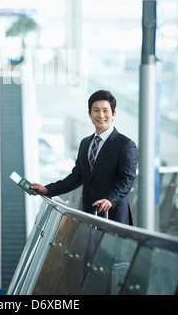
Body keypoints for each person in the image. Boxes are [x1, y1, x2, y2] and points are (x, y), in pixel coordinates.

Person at [31, 90, 138, 225]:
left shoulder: (125, 145)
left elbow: (126, 180)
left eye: (105, 110)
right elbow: (76, 177)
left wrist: (109, 199)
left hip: (113, 218)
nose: (101, 115)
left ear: (113, 114)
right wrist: (47, 190)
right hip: (88, 216)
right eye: (96, 110)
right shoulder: (86, 143)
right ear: (89, 114)